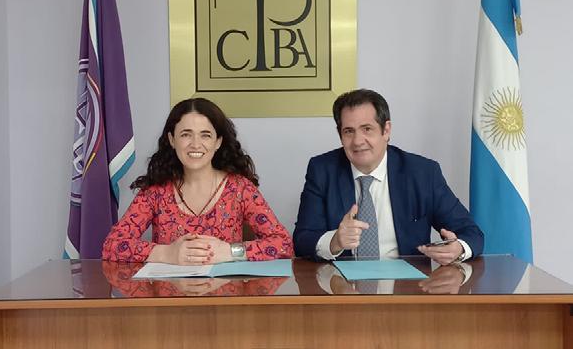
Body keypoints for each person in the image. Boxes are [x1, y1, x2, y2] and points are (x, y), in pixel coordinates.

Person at [293, 89, 483, 265]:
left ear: (386, 130)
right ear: (339, 134)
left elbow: (471, 233)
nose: (357, 141)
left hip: (408, 285)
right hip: (341, 285)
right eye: (349, 131)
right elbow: (302, 240)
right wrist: (334, 242)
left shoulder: (423, 173)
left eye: (367, 129)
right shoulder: (322, 170)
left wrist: (458, 249)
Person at [103, 98, 293, 264]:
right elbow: (112, 245)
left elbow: (283, 244)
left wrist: (230, 252)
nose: (195, 144)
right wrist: (167, 253)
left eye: (205, 135)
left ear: (218, 142)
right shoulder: (155, 192)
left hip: (227, 293)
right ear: (172, 139)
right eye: (186, 134)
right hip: (168, 293)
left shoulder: (240, 188)